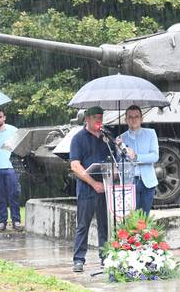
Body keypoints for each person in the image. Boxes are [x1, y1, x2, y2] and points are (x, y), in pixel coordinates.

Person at [70, 105, 113, 273]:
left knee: (105, 225)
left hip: (105, 187)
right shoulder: (78, 138)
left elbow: (115, 160)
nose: (99, 120)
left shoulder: (107, 137)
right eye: (95, 117)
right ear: (87, 119)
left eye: (101, 117)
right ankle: (79, 259)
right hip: (87, 189)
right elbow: (75, 165)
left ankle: (105, 257)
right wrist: (93, 183)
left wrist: (113, 175)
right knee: (83, 225)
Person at [118, 105, 159, 215]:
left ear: (142, 118)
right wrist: (118, 149)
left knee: (145, 218)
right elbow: (119, 163)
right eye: (130, 117)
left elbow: (155, 156)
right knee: (132, 217)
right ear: (125, 120)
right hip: (130, 182)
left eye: (136, 116)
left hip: (148, 183)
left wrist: (136, 157)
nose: (133, 119)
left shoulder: (151, 133)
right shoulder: (121, 138)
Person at [0, 107, 23, 232]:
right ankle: (2, 221)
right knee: (0, 196)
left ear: (4, 118)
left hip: (11, 167)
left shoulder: (13, 130)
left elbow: (21, 145)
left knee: (14, 194)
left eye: (0, 117)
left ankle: (16, 221)